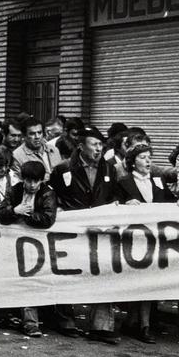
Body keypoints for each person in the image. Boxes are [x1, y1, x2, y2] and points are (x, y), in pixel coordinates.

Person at [49, 126, 119, 342]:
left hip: (100, 230)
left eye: (101, 145)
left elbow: (113, 195)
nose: (98, 149)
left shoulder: (109, 169)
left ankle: (102, 325)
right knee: (67, 272)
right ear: (81, 146)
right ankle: (65, 320)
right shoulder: (63, 169)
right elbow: (52, 194)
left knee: (105, 272)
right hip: (72, 230)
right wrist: (58, 209)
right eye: (94, 144)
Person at [114, 144, 179, 343]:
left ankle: (140, 324)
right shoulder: (124, 181)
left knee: (150, 280)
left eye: (149, 157)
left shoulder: (158, 180)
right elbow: (114, 203)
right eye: (143, 157)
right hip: (134, 240)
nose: (148, 161)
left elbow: (169, 200)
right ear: (132, 161)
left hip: (157, 239)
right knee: (138, 280)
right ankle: (138, 324)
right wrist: (126, 205)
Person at [0, 161, 57, 338]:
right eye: (28, 181)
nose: (31, 185)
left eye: (35, 182)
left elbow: (48, 218)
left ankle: (31, 322)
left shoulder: (48, 193)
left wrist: (26, 215)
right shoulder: (14, 191)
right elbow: (1, 213)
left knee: (31, 282)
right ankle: (12, 316)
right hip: (15, 245)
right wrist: (15, 210)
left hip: (39, 247)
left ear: (41, 181)